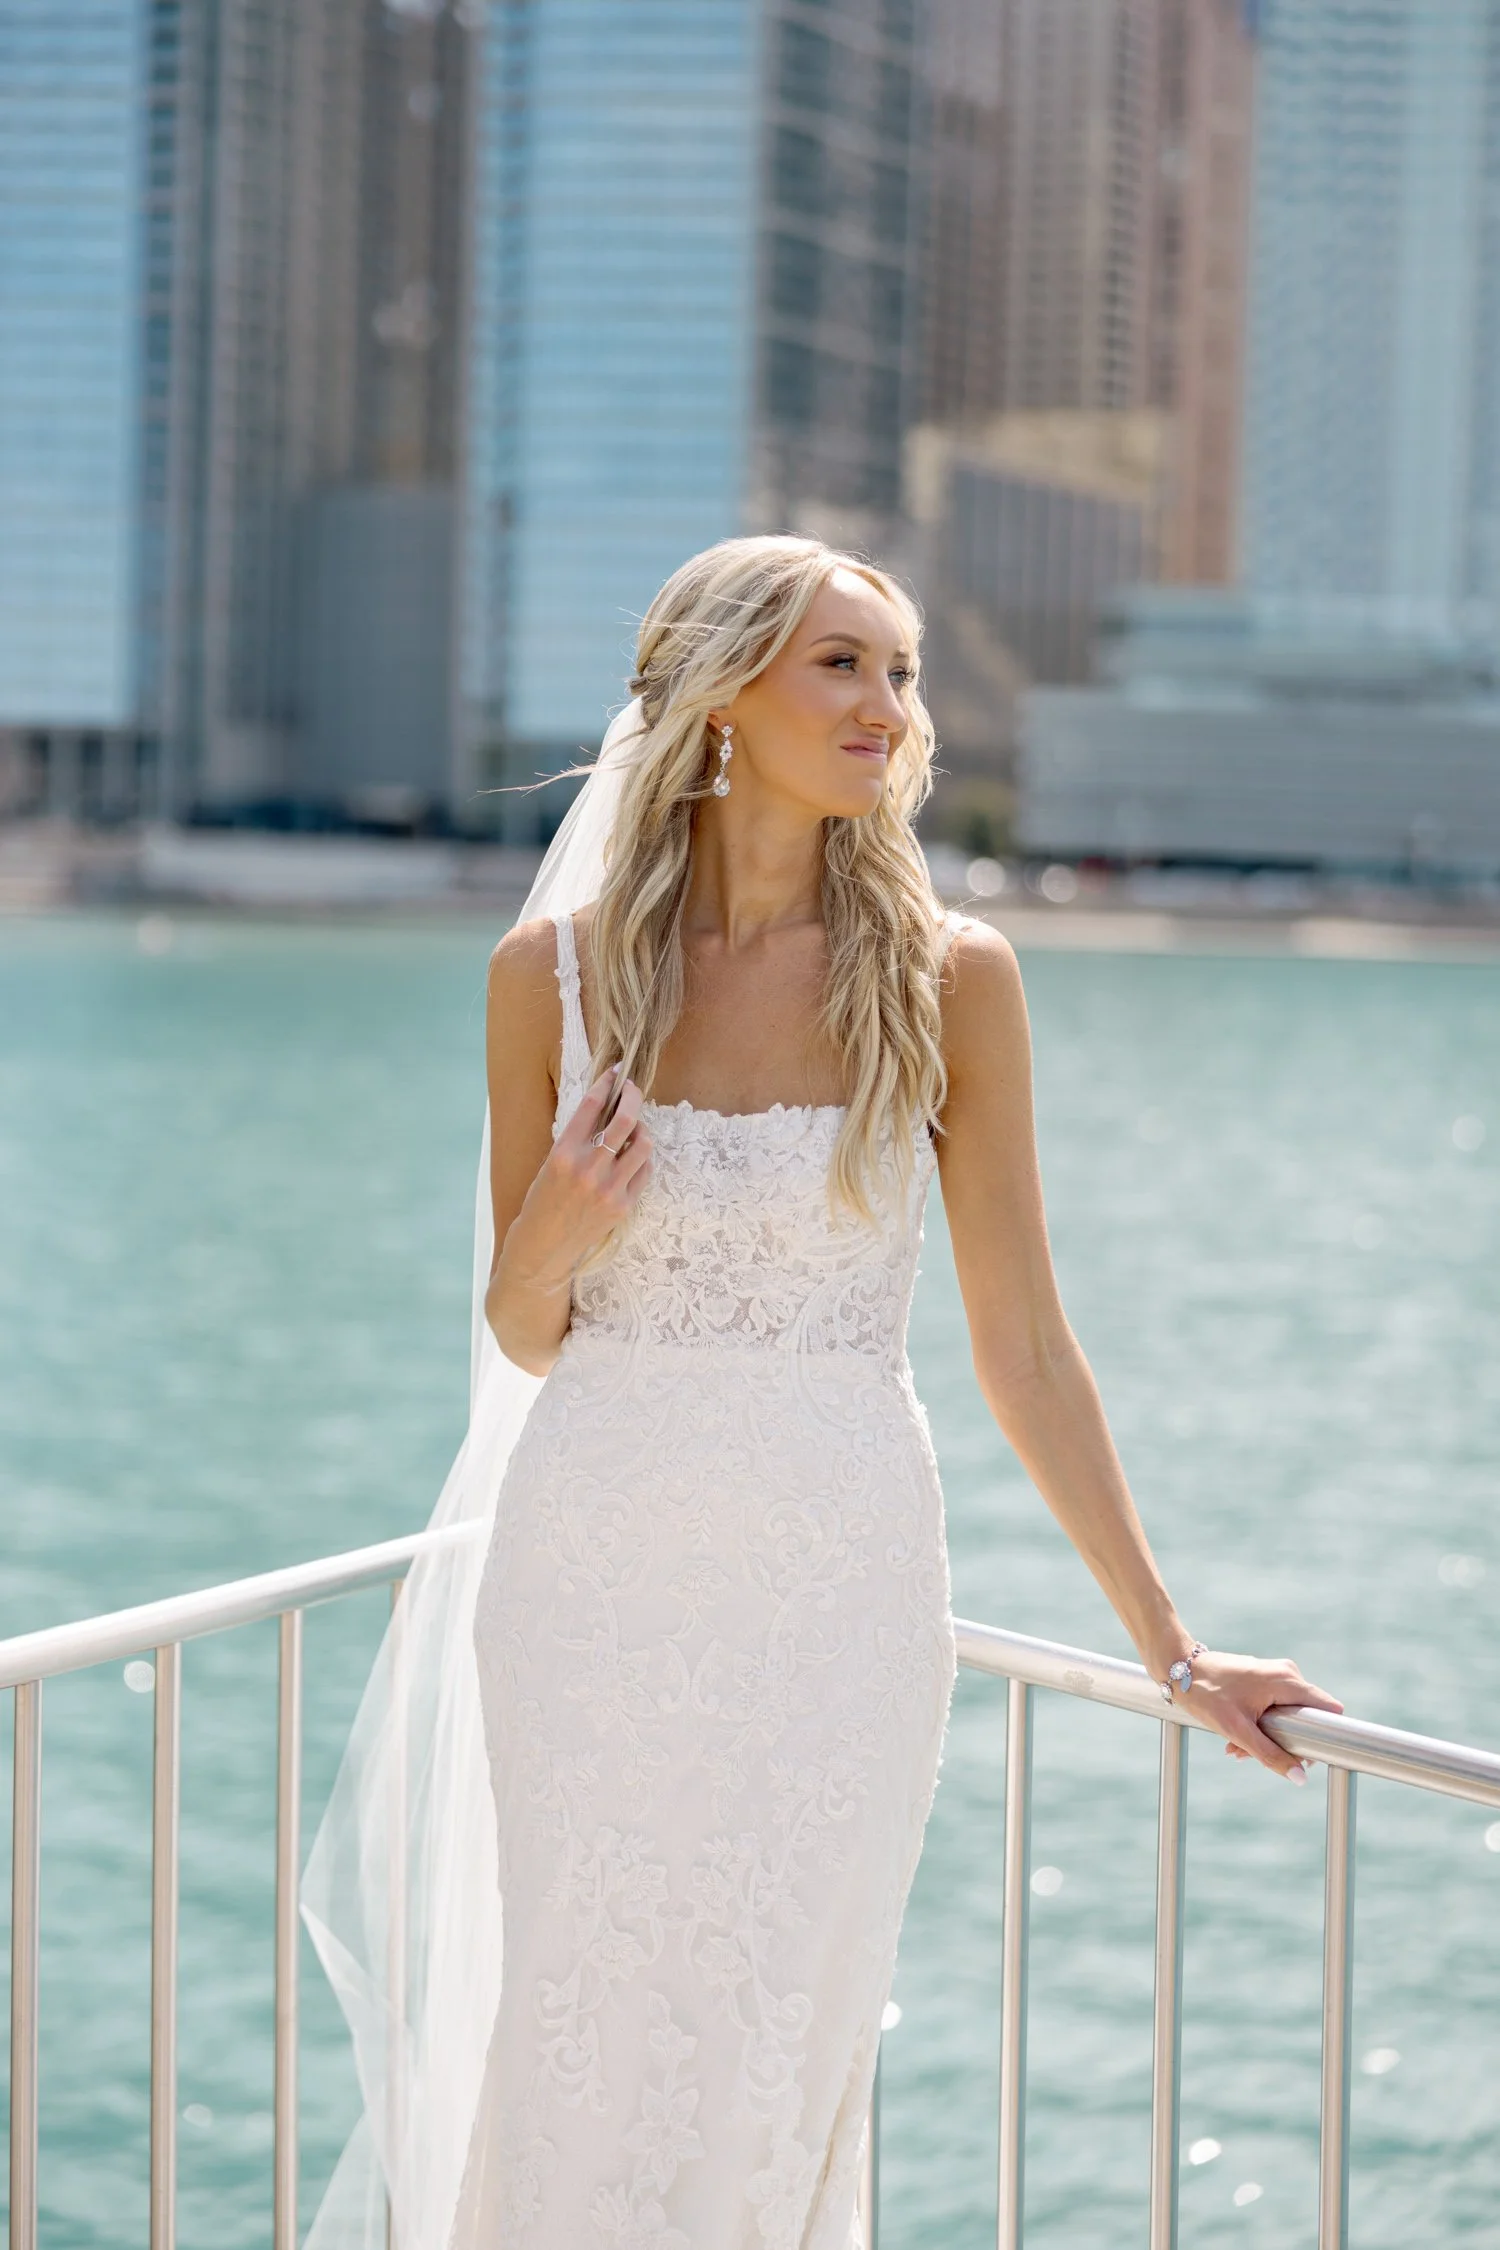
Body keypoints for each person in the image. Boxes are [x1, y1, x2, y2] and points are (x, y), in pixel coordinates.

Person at [303, 534, 1339, 2250]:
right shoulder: (547, 979)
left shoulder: (953, 978)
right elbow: (524, 1326)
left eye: (903, 670)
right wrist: (559, 1219)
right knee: (582, 2025)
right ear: (722, 699)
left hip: (838, 1595)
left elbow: (1023, 1343)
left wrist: (1171, 1641)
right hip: (592, 1587)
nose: (888, 707)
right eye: (840, 665)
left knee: (780, 2048)